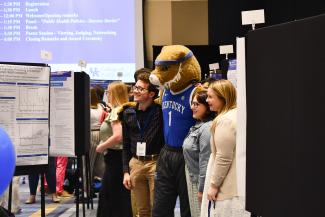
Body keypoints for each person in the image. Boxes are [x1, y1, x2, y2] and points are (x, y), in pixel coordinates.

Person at [200, 80, 249, 217]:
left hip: (227, 186)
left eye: (211, 97)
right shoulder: (237, 114)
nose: (207, 100)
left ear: (223, 97)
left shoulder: (225, 121)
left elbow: (224, 157)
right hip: (237, 183)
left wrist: (214, 186)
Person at [121, 73, 164, 217]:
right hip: (136, 163)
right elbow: (126, 144)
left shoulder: (159, 112)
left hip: (155, 162)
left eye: (140, 89)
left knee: (157, 208)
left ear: (151, 94)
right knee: (141, 210)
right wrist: (126, 171)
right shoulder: (128, 113)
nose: (135, 91)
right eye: (135, 87)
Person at [96, 81, 132, 217]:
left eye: (108, 92)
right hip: (121, 157)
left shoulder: (116, 112)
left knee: (110, 197)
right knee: (120, 196)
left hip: (115, 157)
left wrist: (101, 147)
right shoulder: (126, 109)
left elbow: (118, 136)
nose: (107, 95)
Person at [182, 90, 215, 217]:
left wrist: (202, 189)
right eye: (192, 103)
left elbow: (205, 162)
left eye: (196, 104)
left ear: (207, 107)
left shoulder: (207, 128)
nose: (192, 107)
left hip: (199, 182)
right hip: (193, 180)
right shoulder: (199, 124)